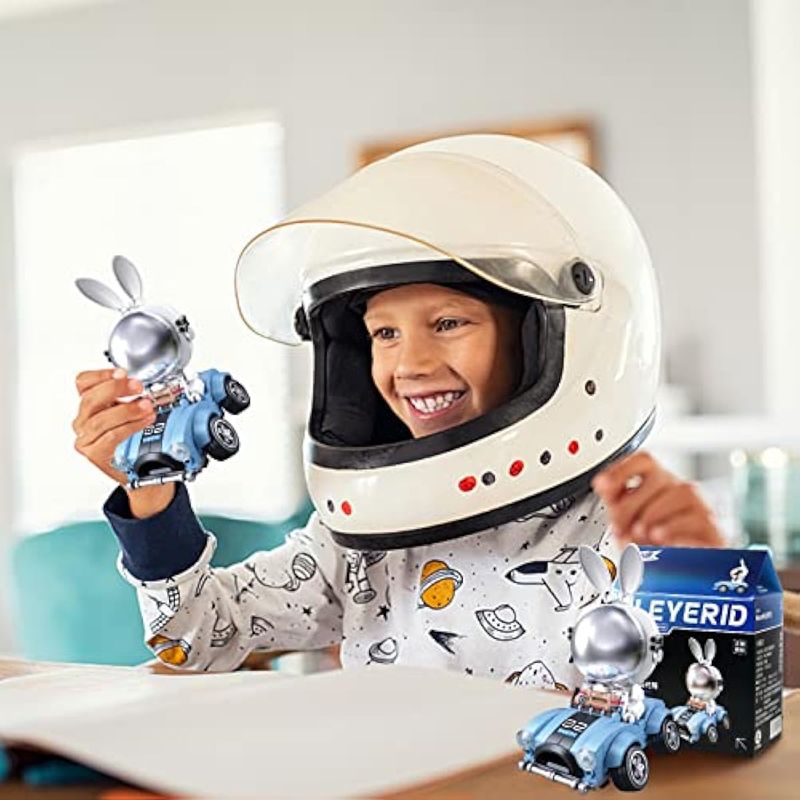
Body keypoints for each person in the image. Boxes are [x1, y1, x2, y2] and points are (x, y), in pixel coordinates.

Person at [72, 135, 723, 687]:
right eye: (383, 333)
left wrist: (695, 578)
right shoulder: (363, 542)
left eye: (448, 322)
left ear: (553, 337)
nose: (408, 364)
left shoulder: (626, 534)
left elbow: (704, 715)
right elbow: (195, 636)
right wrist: (151, 492)